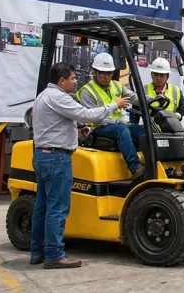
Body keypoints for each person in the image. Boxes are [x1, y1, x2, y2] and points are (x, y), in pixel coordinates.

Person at [30, 62, 129, 269]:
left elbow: (62, 120)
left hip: (42, 155)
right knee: (58, 208)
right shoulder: (58, 97)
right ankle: (54, 255)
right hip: (57, 158)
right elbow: (87, 114)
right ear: (62, 80)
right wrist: (114, 105)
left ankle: (37, 252)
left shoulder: (43, 96)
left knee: (42, 207)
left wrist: (80, 128)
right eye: (73, 78)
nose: (75, 82)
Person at [76, 52, 145, 177]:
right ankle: (135, 167)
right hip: (97, 127)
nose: (105, 76)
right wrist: (118, 118)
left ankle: (153, 163)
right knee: (122, 130)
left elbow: (135, 98)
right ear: (94, 72)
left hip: (118, 125)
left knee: (145, 130)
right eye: (102, 73)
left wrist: (152, 100)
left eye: (108, 73)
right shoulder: (87, 91)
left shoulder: (117, 85)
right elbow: (94, 118)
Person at [129, 57, 184, 128]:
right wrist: (133, 128)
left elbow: (182, 109)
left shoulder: (176, 91)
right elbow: (134, 113)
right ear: (151, 75)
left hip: (171, 130)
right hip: (149, 132)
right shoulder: (142, 91)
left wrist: (177, 115)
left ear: (167, 76)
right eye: (156, 74)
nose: (158, 78)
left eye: (162, 75)